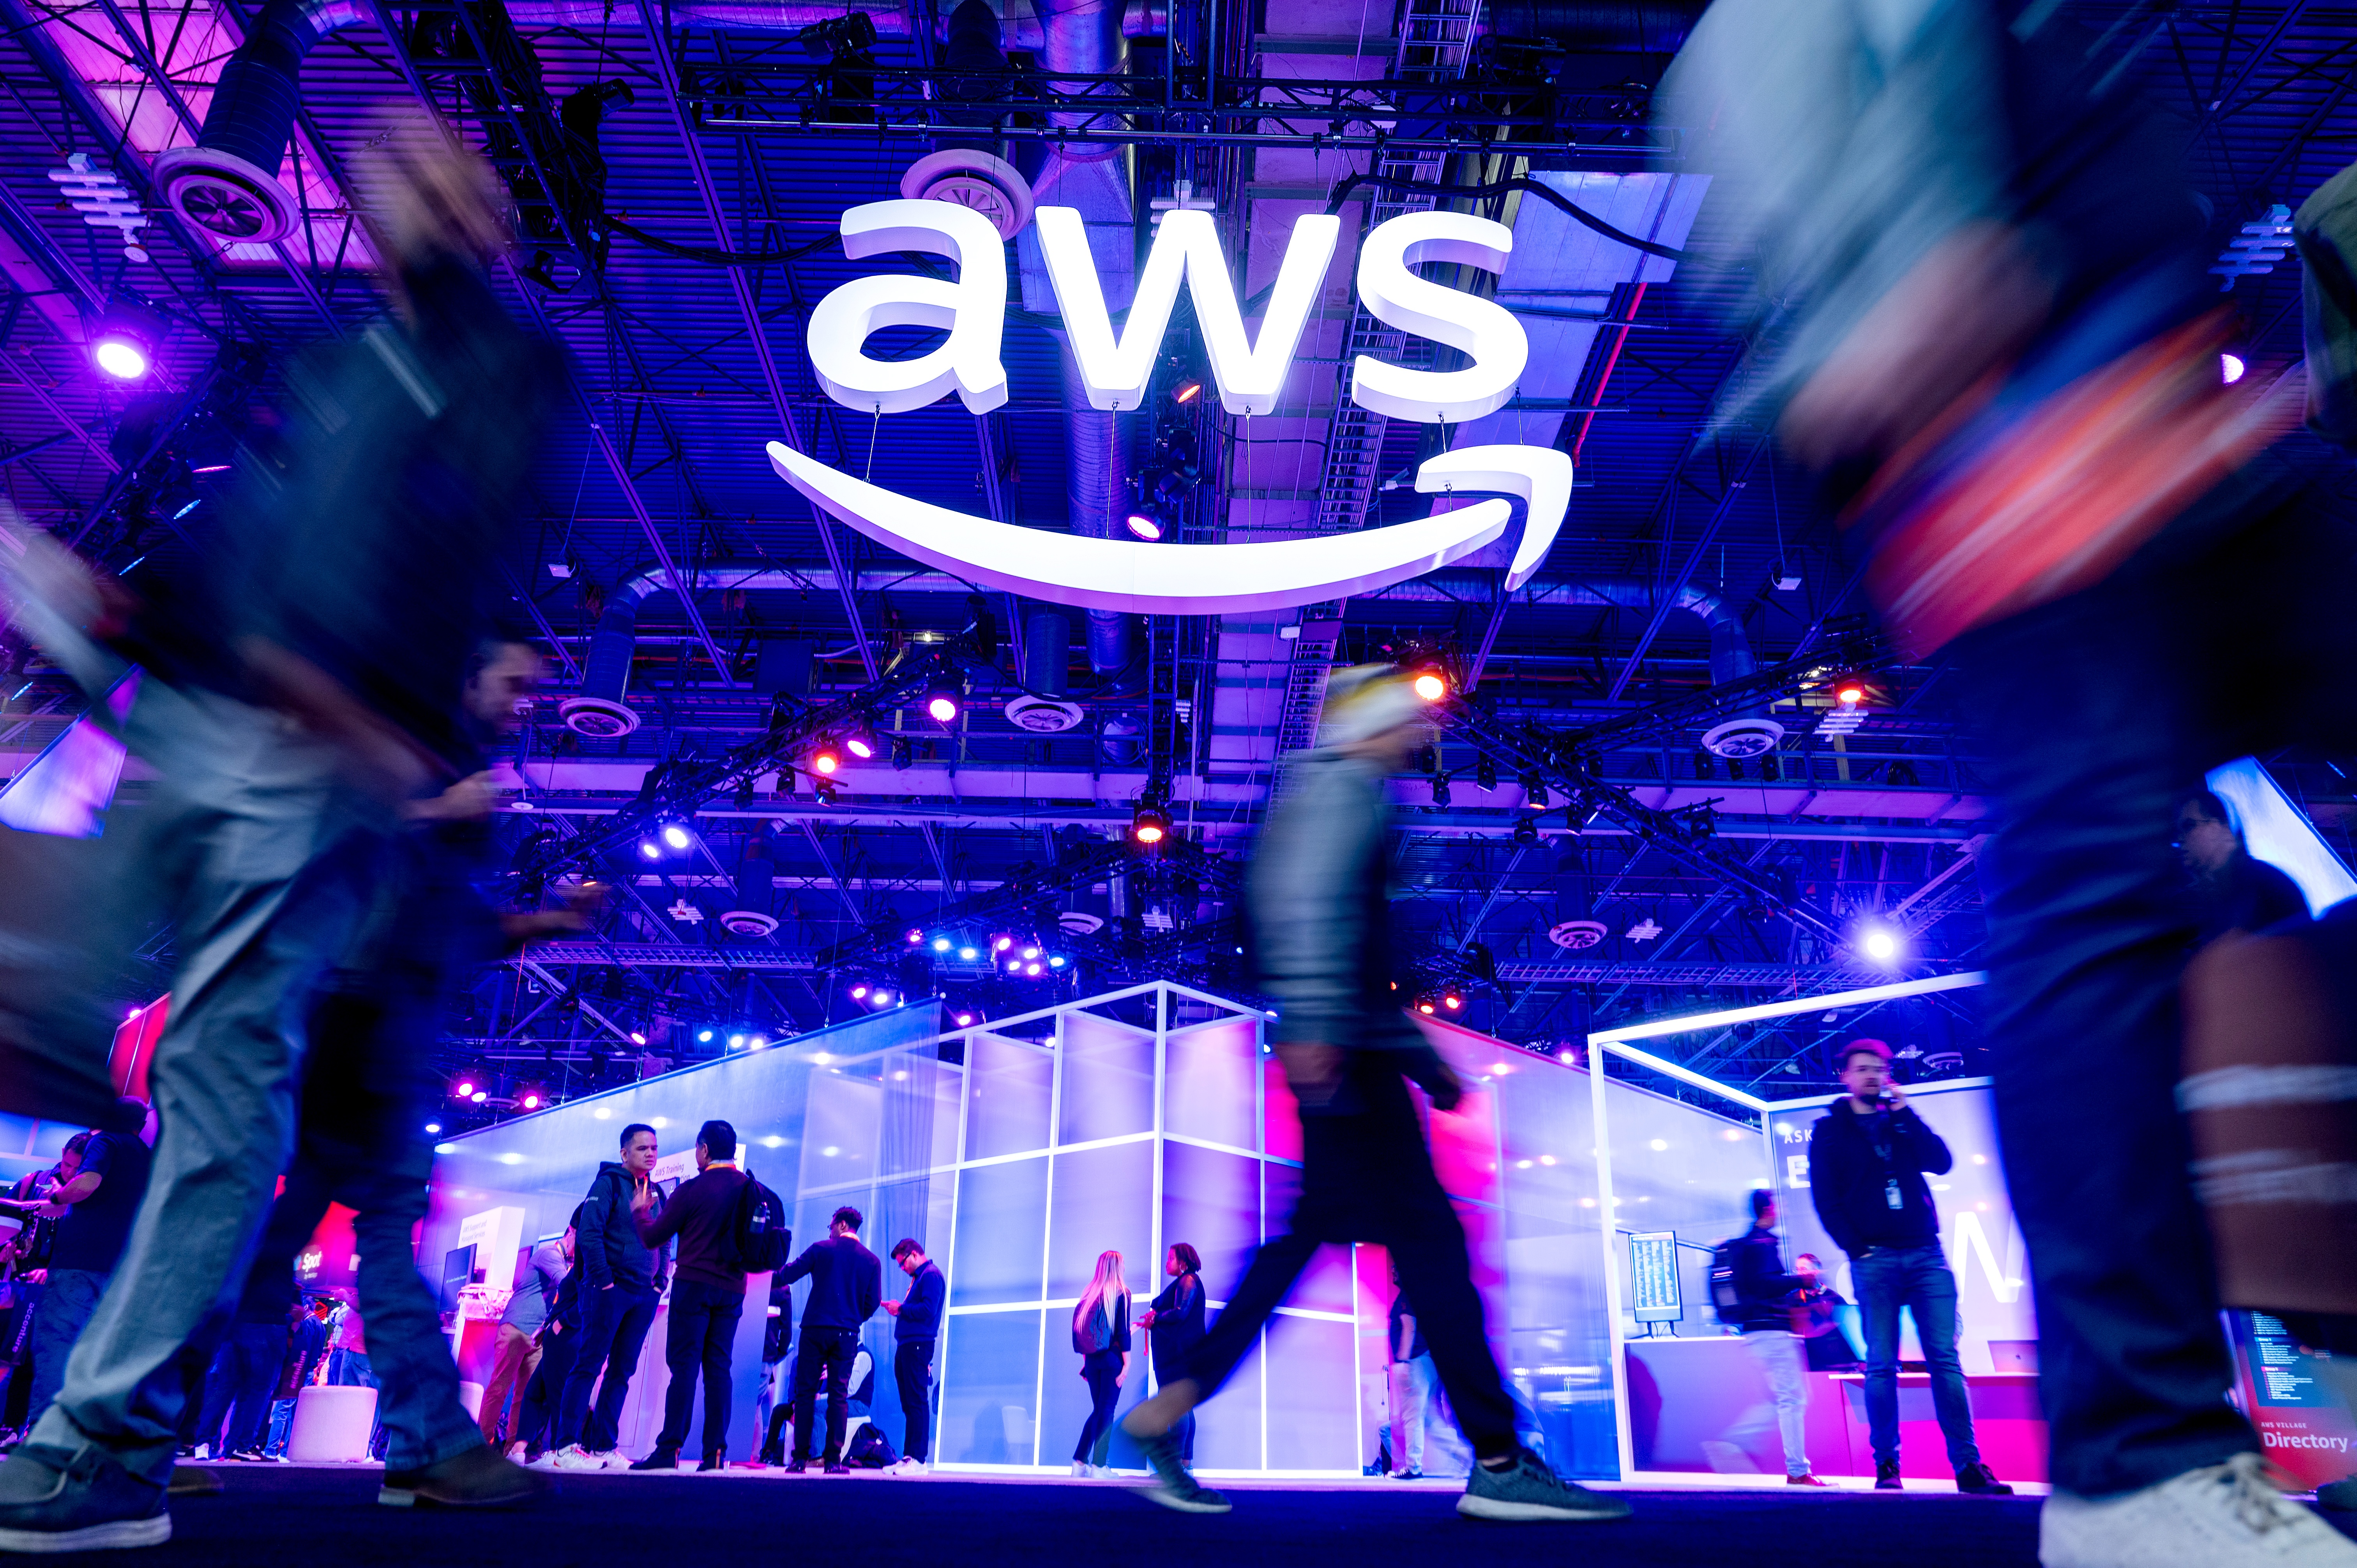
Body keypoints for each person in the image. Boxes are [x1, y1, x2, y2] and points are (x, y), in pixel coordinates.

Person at [1661, 2, 2357, 1559]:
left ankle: (2157, 1453)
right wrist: (1908, 304)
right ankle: (2136, 1468)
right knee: (2100, 871)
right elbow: (1780, 116)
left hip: (2156, 403)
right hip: (1999, 406)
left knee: (2133, 874)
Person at [0, 137, 564, 1550]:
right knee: (165, 1060)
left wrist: (381, 723)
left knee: (222, 1099)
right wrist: (122, 607)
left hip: (311, 755)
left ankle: (112, 1436)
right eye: (392, 169)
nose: (411, 191)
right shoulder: (342, 367)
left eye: (448, 173)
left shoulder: (506, 370)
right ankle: (137, 1418)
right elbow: (261, 540)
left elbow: (446, 551)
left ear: (488, 209)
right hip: (200, 709)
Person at [1120, 666, 1626, 1524]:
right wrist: (1338, 1030)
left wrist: (1381, 1048)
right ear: (1371, 725)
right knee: (1433, 1255)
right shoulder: (1344, 791)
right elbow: (1303, 912)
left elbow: (1288, 918)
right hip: (1348, 1057)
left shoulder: (1323, 792)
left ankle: (1176, 1400)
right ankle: (1499, 1460)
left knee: (1304, 1243)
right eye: (1403, 724)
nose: (1415, 739)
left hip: (1343, 1052)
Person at [1808, 1042, 2007, 1494]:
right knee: (1880, 1364)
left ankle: (1969, 1466)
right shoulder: (1830, 1132)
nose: (1874, 1075)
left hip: (1925, 1253)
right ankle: (1887, 1465)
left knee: (1944, 1359)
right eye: (1863, 1069)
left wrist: (1906, 1115)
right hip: (1874, 1259)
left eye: (1880, 1068)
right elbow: (1827, 1201)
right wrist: (1857, 1249)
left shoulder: (1900, 1121)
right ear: (1845, 1076)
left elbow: (1940, 1161)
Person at [14, 1103, 152, 1431]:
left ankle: (45, 1432)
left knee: (57, 1346)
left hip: (79, 1264)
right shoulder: (147, 1156)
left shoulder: (105, 1143)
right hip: (120, 1269)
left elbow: (87, 1184)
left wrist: (60, 1197)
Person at [626, 1120, 750, 1472]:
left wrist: (640, 1212)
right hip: (733, 1290)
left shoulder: (692, 1190)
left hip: (694, 1286)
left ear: (704, 1150)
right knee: (719, 1370)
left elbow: (653, 1239)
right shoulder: (749, 1189)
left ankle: (670, 1450)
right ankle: (714, 1455)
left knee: (684, 1369)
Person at [552, 1124, 666, 1470]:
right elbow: (589, 1233)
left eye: (654, 1148)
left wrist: (660, 1282)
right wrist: (603, 1282)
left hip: (644, 1295)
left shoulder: (657, 1191)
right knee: (589, 1364)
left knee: (622, 1371)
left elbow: (664, 1238)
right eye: (643, 1148)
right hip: (608, 1291)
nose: (650, 1153)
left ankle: (604, 1446)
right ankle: (565, 1448)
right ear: (624, 1153)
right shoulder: (608, 1184)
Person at [1719, 1190, 1822, 1486]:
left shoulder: (1744, 1244)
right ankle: (1797, 1470)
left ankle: (1737, 1441)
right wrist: (1800, 1280)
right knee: (1794, 1398)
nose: (1783, 1208)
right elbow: (1764, 1285)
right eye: (1779, 1204)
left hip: (1754, 1332)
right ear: (1768, 1209)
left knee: (1775, 1398)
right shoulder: (1763, 1243)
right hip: (1771, 1331)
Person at [778, 1206, 881, 1474]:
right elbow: (874, 1302)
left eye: (832, 1226)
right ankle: (833, 1461)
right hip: (847, 1333)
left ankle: (799, 1459)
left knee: (805, 1393)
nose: (831, 1230)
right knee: (839, 1396)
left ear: (842, 1225)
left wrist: (761, 1273)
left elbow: (789, 1274)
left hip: (815, 1328)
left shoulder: (821, 1249)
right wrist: (854, 1318)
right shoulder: (871, 1261)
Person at [481, 1225, 571, 1450]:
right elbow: (567, 1284)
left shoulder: (565, 1261)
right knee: (500, 1388)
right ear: (571, 1232)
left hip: (537, 1337)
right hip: (516, 1328)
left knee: (526, 1396)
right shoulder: (550, 1254)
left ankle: (513, 1451)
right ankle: (482, 1445)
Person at [2176, 791, 2308, 941]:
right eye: (2179, 832)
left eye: (2189, 826)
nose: (2180, 840)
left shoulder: (2267, 885)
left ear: (2224, 827)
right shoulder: (2210, 898)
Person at [1134, 1244, 1205, 1466]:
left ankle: (1178, 1466)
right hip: (1176, 1355)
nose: (1167, 1262)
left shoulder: (1189, 1281)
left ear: (1183, 1262)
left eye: (1171, 1258)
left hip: (1178, 1356)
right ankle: (1185, 1464)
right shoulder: (1183, 1282)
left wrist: (1155, 1318)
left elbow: (1180, 1312)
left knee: (1178, 1408)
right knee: (1184, 1409)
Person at [1070, 1251, 1133, 1478]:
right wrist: (1127, 1363)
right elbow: (1123, 1332)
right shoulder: (1121, 1293)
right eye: (1123, 1263)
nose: (1125, 1267)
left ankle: (1080, 1463)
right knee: (1107, 1411)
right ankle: (1099, 1466)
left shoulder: (1089, 1295)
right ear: (1117, 1267)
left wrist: (1087, 1364)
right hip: (1112, 1360)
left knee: (1099, 1411)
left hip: (1093, 1362)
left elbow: (1085, 1336)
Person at [882, 1239, 943, 1471]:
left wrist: (901, 1309)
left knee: (917, 1401)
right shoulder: (921, 1277)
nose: (903, 1269)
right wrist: (900, 1309)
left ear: (915, 1254)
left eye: (903, 1263)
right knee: (909, 1403)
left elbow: (928, 1310)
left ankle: (919, 1459)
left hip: (919, 1345)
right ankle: (909, 1457)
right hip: (908, 1345)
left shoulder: (931, 1276)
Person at [1384, 1262, 1433, 1481]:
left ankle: (1414, 1468)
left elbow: (1409, 1327)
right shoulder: (1418, 1295)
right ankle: (1461, 1458)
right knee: (1427, 1419)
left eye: (1397, 1267)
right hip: (1425, 1361)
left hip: (1415, 1361)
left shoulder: (1406, 1296)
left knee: (1412, 1417)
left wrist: (1403, 1361)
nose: (1393, 1271)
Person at [1792, 1255, 1862, 1373]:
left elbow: (1849, 1332)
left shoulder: (1835, 1299)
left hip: (1834, 1364)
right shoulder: (1792, 1299)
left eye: (1803, 1269)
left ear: (1816, 1272)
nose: (1799, 1274)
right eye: (1797, 1270)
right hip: (1805, 1365)